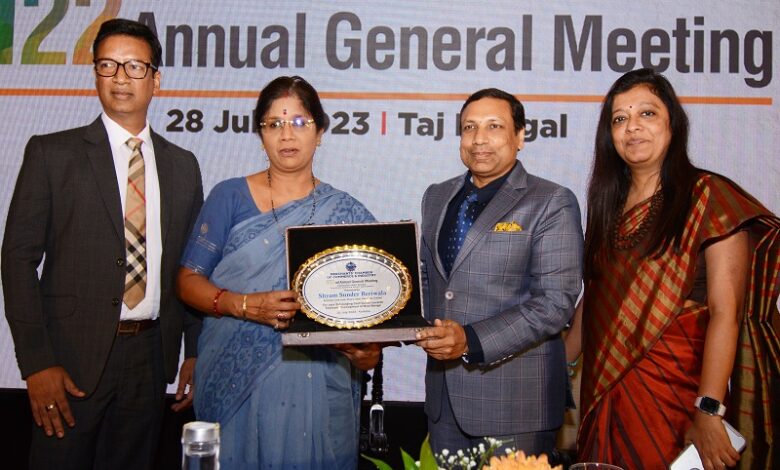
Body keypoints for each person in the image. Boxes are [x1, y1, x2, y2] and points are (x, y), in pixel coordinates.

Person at [1, 18, 204, 470]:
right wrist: (36, 363)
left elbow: (192, 268)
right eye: (108, 65)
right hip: (68, 365)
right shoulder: (51, 154)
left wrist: (196, 351)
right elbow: (16, 261)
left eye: (134, 67)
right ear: (95, 73)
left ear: (156, 80)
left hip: (150, 360)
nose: (120, 78)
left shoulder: (183, 167)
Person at [569, 68, 780, 470]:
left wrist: (709, 409)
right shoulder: (606, 207)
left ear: (673, 123)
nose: (632, 127)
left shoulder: (710, 198)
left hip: (676, 400)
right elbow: (594, 300)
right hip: (604, 395)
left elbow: (726, 313)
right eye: (619, 118)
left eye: (646, 114)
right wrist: (553, 368)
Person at [176, 75, 381, 470]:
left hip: (316, 386)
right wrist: (245, 306)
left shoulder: (346, 213)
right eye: (274, 124)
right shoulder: (229, 196)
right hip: (233, 385)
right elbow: (187, 282)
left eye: (300, 122)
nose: (287, 134)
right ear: (260, 133)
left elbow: (376, 310)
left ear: (320, 131)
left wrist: (368, 350)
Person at [416, 88, 584, 459]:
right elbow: (429, 281)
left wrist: (471, 340)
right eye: (469, 127)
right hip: (444, 403)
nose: (479, 139)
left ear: (520, 136)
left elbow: (556, 303)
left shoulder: (550, 201)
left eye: (494, 126)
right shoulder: (437, 196)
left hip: (515, 404)